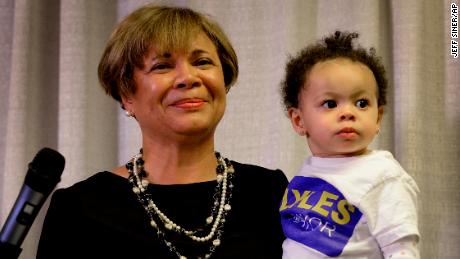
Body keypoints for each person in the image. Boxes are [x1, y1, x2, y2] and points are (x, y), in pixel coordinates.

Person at [37, 4, 288, 259]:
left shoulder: (271, 192)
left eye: (202, 62)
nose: (188, 78)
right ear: (126, 94)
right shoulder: (80, 209)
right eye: (162, 66)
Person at [279, 31, 420, 258]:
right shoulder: (310, 171)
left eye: (361, 103)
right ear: (299, 120)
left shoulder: (384, 176)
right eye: (330, 103)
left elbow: (402, 249)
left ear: (378, 118)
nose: (348, 113)